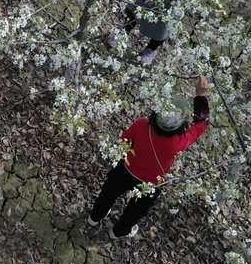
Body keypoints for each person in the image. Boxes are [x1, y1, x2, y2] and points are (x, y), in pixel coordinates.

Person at [86, 75, 210, 238]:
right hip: (152, 182)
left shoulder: (142, 125)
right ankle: (118, 232)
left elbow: (124, 139)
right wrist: (200, 95)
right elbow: (202, 123)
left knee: (108, 193)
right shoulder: (177, 143)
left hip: (127, 168)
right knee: (135, 211)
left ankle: (95, 217)